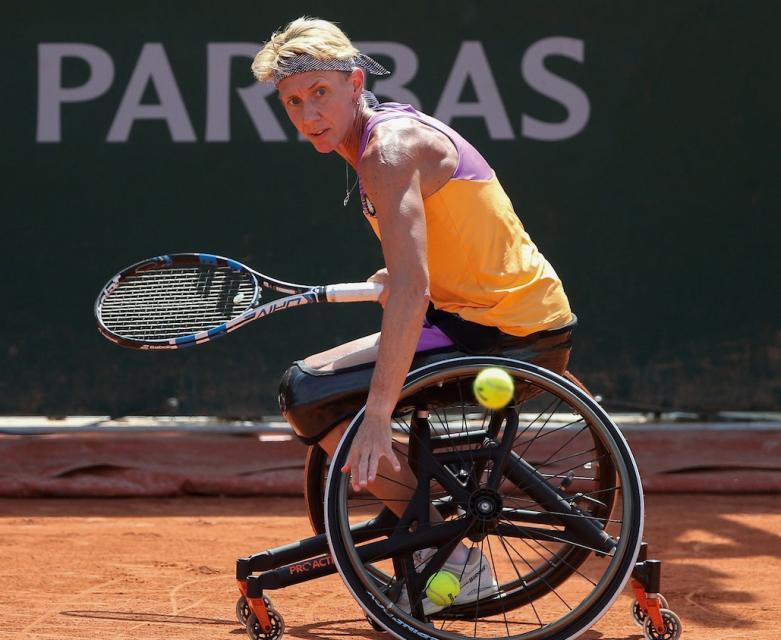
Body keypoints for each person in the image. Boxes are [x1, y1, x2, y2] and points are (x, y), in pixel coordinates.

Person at [252, 17, 575, 614]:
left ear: (354, 82)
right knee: (309, 384)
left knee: (311, 397)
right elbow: (432, 258)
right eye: (293, 102)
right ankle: (427, 519)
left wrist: (377, 413)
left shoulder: (388, 150)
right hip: (485, 312)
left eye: (319, 93)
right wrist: (395, 281)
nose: (307, 115)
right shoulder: (380, 137)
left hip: (512, 330)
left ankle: (454, 554)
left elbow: (413, 290)